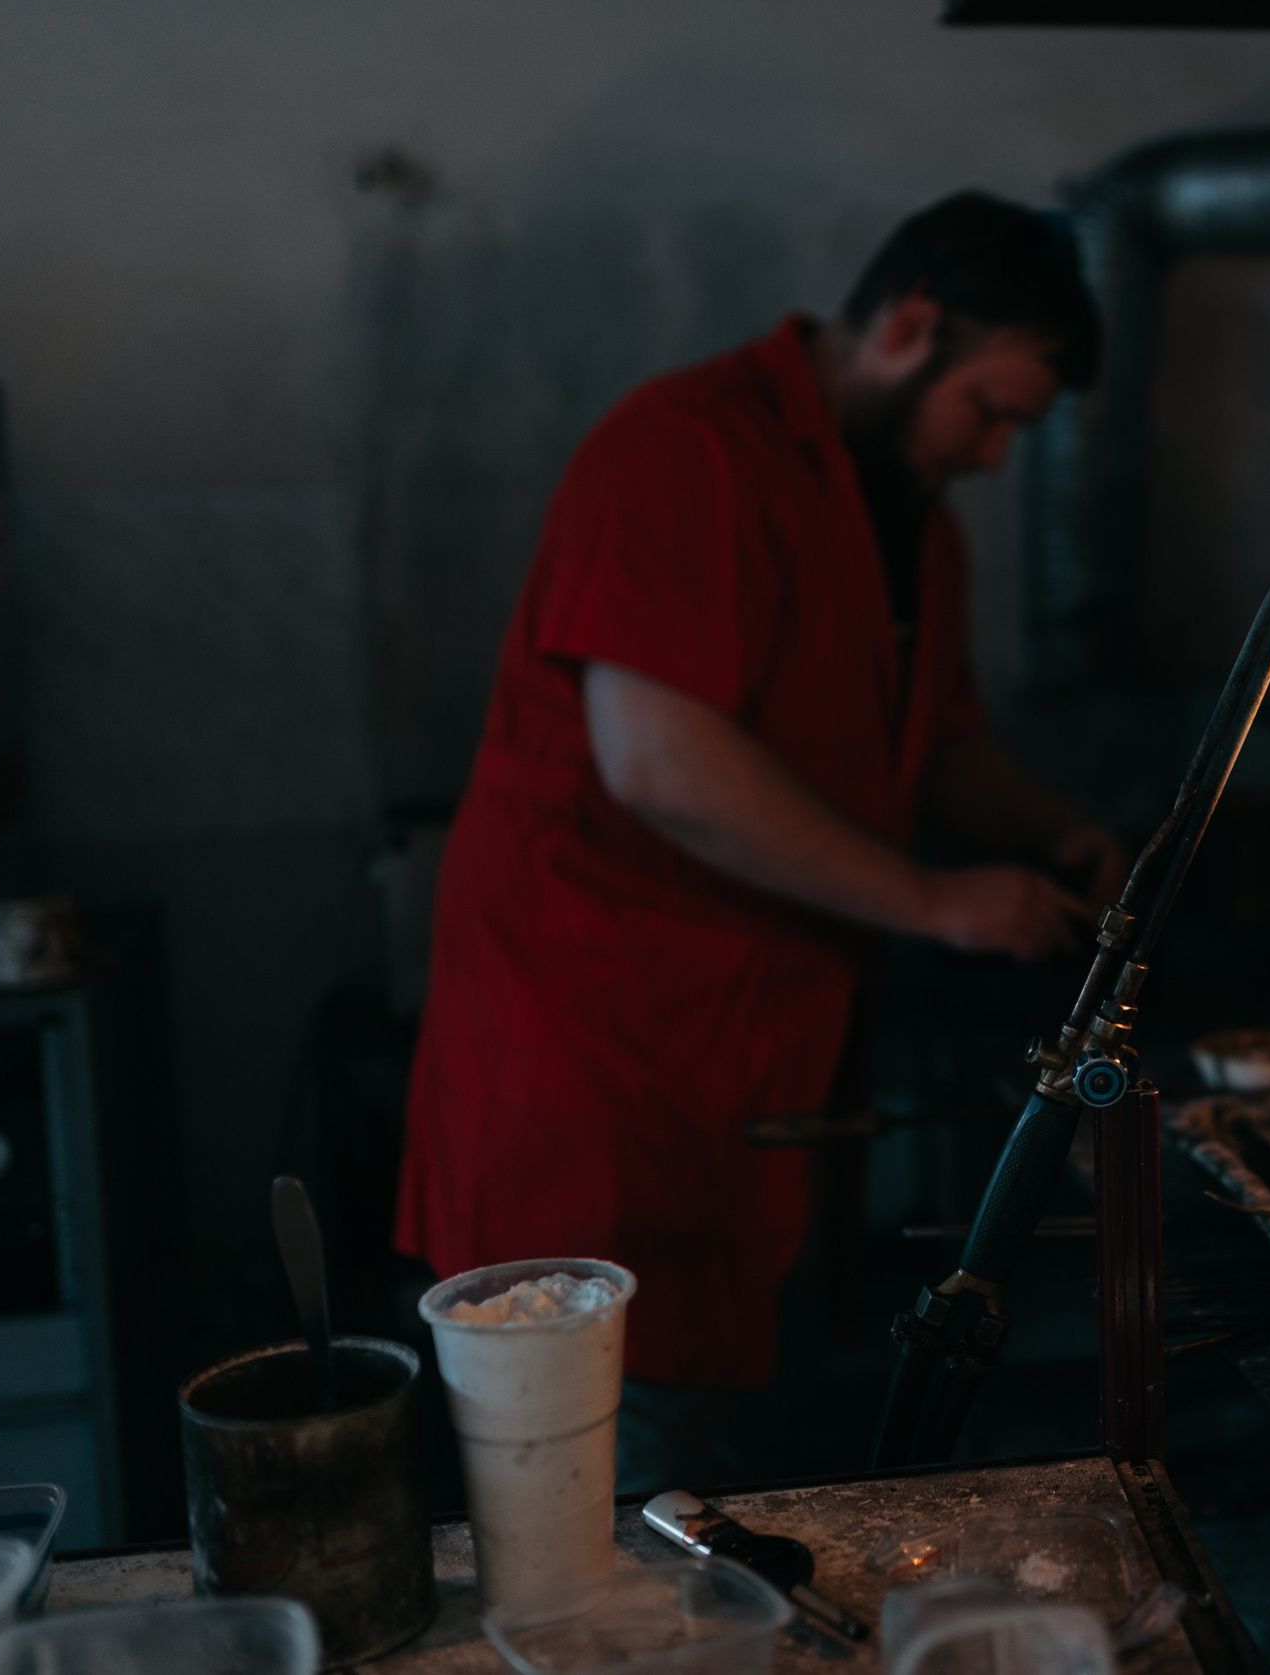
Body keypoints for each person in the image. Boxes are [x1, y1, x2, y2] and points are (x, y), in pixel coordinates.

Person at [394, 192, 1126, 1490]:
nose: (1000, 455)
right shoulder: (685, 452)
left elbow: (939, 746)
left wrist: (1055, 829)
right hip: (601, 1048)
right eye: (993, 412)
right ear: (910, 329)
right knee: (599, 1496)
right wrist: (932, 901)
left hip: (755, 1064)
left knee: (722, 1468)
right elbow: (659, 760)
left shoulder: (914, 527)